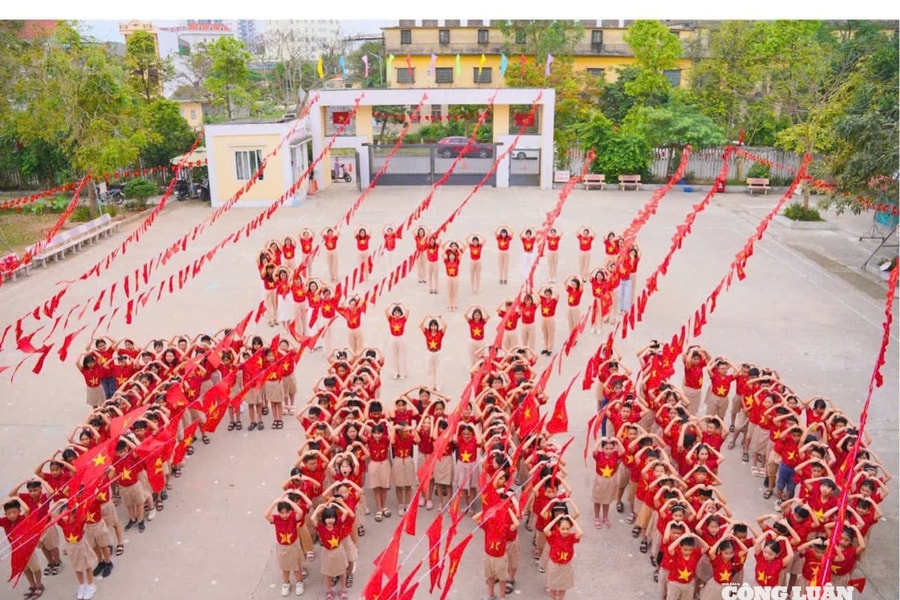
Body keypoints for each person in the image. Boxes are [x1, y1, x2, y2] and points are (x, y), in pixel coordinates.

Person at [1, 498, 44, 599]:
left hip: (28, 549)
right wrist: (3, 503)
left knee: (35, 568)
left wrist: (17, 499)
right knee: (25, 569)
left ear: (19, 512)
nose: (11, 515)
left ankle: (39, 585)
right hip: (17, 551)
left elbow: (28, 510)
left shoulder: (22, 518)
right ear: (6, 514)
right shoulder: (5, 521)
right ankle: (32, 585)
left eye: (14, 512)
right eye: (8, 513)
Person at [310, 502, 355, 600]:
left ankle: (342, 590)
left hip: (338, 551)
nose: (330, 520)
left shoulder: (338, 525)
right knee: (328, 574)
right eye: (327, 518)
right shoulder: (321, 528)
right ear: (323, 519)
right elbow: (312, 518)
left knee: (342, 572)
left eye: (332, 517)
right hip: (328, 553)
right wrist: (319, 507)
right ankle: (329, 591)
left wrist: (336, 506)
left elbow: (345, 513)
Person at [264, 495, 306, 597]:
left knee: (297, 567)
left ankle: (299, 582)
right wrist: (274, 502)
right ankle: (286, 583)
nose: (285, 515)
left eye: (287, 512)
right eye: (282, 512)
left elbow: (300, 512)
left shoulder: (293, 517)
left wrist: (289, 502)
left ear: (291, 511)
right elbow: (266, 515)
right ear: (279, 512)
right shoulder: (277, 519)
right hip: (282, 546)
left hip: (293, 545)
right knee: (285, 568)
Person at [543, 513, 583, 600]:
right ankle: (553, 598)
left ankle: (561, 598)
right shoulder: (554, 536)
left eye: (568, 529)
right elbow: (546, 530)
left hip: (566, 565)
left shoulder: (571, 537)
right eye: (563, 529)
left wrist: (571, 519)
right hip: (554, 564)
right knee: (553, 585)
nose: (565, 531)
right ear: (558, 528)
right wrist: (556, 519)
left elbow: (580, 532)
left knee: (563, 585)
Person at [664, 532, 710, 600]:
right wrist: (681, 537)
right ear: (680, 547)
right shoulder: (677, 553)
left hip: (688, 583)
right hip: (675, 583)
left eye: (690, 550)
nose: (688, 552)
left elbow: (706, 547)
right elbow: (670, 548)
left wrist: (696, 537)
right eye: (685, 550)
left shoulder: (695, 553)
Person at [591, 436, 625, 529]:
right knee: (597, 499)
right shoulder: (599, 455)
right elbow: (594, 451)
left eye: (611, 448)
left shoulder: (615, 455)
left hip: (611, 480)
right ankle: (597, 517)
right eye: (606, 448)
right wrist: (600, 440)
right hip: (600, 480)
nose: (609, 450)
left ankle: (605, 517)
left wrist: (617, 440)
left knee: (607, 500)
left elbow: (623, 451)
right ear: (602, 448)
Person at [420, 315, 448, 390]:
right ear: (430, 327)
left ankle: (438, 386)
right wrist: (426, 317)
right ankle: (431, 385)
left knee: (439, 370)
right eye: (432, 326)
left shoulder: (440, 333)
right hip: (429, 353)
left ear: (437, 326)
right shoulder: (427, 333)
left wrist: (440, 318)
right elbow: (420, 325)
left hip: (438, 353)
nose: (433, 327)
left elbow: (445, 326)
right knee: (430, 370)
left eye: (435, 326)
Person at [385, 303, 409, 380]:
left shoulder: (403, 319)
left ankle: (402, 373)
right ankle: (395, 372)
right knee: (394, 355)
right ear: (393, 313)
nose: (397, 314)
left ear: (400, 313)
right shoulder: (390, 319)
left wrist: (402, 304)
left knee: (402, 355)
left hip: (401, 338)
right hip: (393, 338)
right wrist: (392, 304)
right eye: (395, 313)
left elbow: (408, 310)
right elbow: (386, 310)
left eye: (398, 313)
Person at [616, 244, 640, 318]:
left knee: (626, 295)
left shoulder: (630, 263)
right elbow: (618, 258)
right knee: (620, 295)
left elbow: (633, 261)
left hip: (627, 281)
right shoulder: (621, 263)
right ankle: (620, 308)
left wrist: (635, 247)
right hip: (621, 281)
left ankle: (625, 310)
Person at [539, 286, 559, 356]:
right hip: (543, 318)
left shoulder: (553, 300)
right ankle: (545, 347)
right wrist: (543, 287)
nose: (547, 296)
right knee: (545, 334)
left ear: (551, 295)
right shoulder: (543, 299)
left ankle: (550, 349)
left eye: (548, 294)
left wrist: (553, 288)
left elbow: (558, 295)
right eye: (546, 294)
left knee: (550, 334)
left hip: (550, 318)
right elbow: (537, 293)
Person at [442, 241, 463, 311]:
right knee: (449, 292)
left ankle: (454, 305)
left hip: (455, 278)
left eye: (453, 255)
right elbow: (443, 254)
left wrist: (456, 249)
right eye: (450, 255)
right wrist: (448, 248)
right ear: (449, 256)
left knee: (455, 291)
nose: (451, 256)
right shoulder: (446, 261)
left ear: (454, 256)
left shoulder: (457, 261)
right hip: (449, 278)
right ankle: (449, 305)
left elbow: (460, 255)